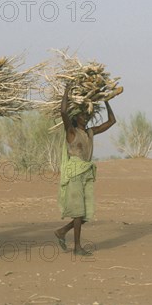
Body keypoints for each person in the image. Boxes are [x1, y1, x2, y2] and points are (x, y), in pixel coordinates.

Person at [54, 84, 116, 256]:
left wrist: (106, 101)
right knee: (78, 212)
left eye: (87, 114)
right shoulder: (71, 132)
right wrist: (66, 91)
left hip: (86, 175)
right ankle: (77, 247)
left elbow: (112, 122)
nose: (86, 117)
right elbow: (63, 112)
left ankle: (62, 231)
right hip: (74, 174)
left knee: (86, 213)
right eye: (82, 115)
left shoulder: (89, 132)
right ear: (76, 117)